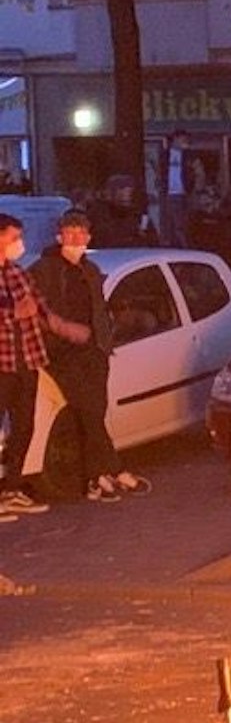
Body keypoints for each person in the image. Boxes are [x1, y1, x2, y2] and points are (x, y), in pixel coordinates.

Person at [27, 212, 152, 502]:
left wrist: (103, 339)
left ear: (88, 237)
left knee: (93, 412)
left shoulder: (91, 270)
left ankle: (96, 479)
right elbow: (34, 309)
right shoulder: (44, 269)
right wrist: (63, 329)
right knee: (87, 412)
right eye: (69, 233)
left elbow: (99, 307)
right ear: (59, 236)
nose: (75, 239)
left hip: (94, 352)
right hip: (62, 353)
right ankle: (113, 469)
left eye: (80, 233)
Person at [1, 213, 61, 517]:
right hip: (2, 364)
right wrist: (16, 312)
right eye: (13, 238)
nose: (18, 244)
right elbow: (16, 310)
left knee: (24, 426)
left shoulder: (17, 272)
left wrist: (42, 315)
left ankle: (11, 489)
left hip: (27, 360)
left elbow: (37, 303)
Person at [161, 131, 191, 246]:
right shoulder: (165, 154)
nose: (185, 142)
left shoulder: (186, 156)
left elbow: (191, 172)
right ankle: (174, 243)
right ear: (175, 139)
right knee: (170, 221)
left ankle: (183, 244)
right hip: (169, 192)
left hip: (182, 193)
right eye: (183, 139)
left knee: (182, 221)